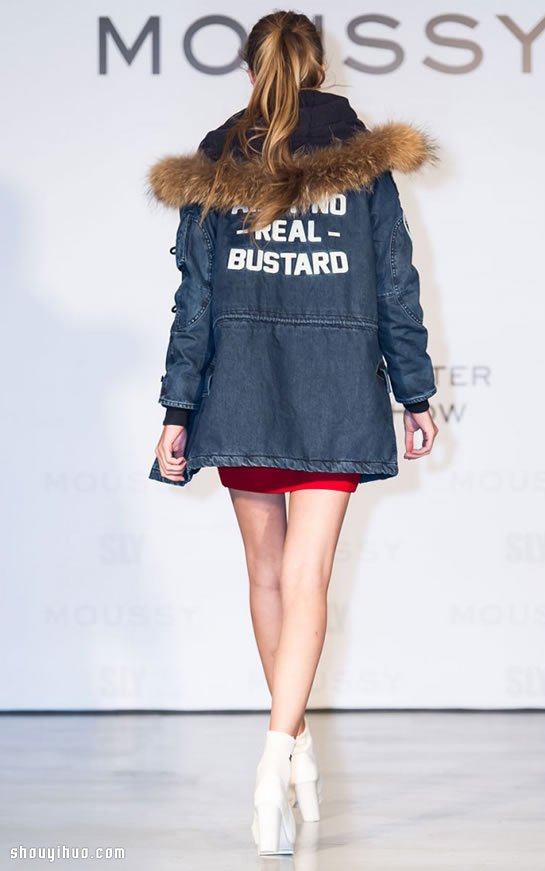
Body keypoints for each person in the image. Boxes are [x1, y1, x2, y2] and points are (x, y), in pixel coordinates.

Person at [146, 9, 439, 856]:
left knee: (268, 577)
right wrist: (415, 393)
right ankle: (285, 751)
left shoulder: (219, 157)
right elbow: (395, 284)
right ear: (319, 70)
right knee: (307, 578)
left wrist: (178, 409)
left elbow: (195, 298)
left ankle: (284, 750)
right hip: (335, 390)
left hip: (242, 389)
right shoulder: (364, 160)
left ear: (251, 73)